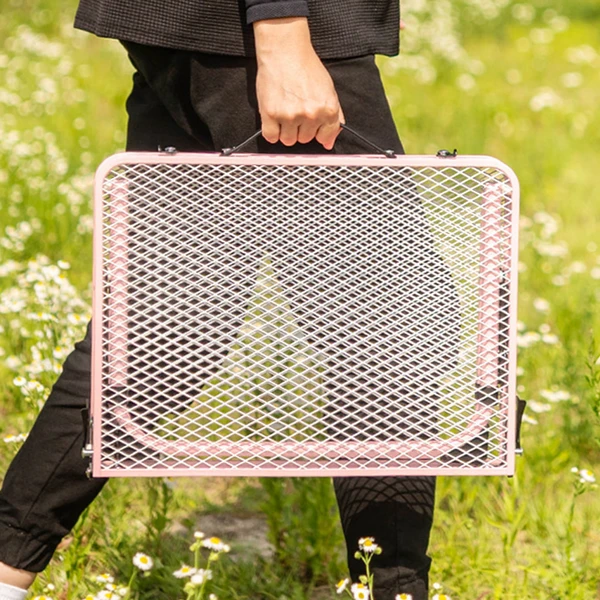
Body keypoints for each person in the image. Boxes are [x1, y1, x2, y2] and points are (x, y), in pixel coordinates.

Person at [0, 1, 438, 599]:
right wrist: (282, 30)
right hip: (255, 30)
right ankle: (393, 590)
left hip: (209, 24)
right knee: (388, 326)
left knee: (169, 329)